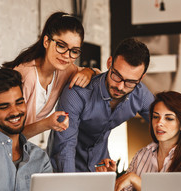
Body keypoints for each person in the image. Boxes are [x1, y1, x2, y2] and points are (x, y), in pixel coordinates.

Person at [0, 11, 98, 138]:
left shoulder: (64, 70)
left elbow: (99, 76)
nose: (67, 55)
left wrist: (89, 71)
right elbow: (9, 134)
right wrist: (47, 124)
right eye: (61, 45)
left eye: (74, 51)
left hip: (4, 149)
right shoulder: (26, 76)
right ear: (46, 41)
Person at [47, 38, 155, 172]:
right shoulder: (77, 93)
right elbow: (65, 149)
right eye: (116, 76)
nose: (120, 87)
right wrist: (70, 185)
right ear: (109, 63)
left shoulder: (141, 94)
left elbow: (166, 126)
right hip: (66, 170)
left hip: (100, 170)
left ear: (141, 78)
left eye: (130, 82)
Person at [97, 91, 181, 191]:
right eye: (155, 117)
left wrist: (135, 180)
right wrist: (108, 178)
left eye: (169, 118)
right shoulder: (142, 155)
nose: (159, 123)